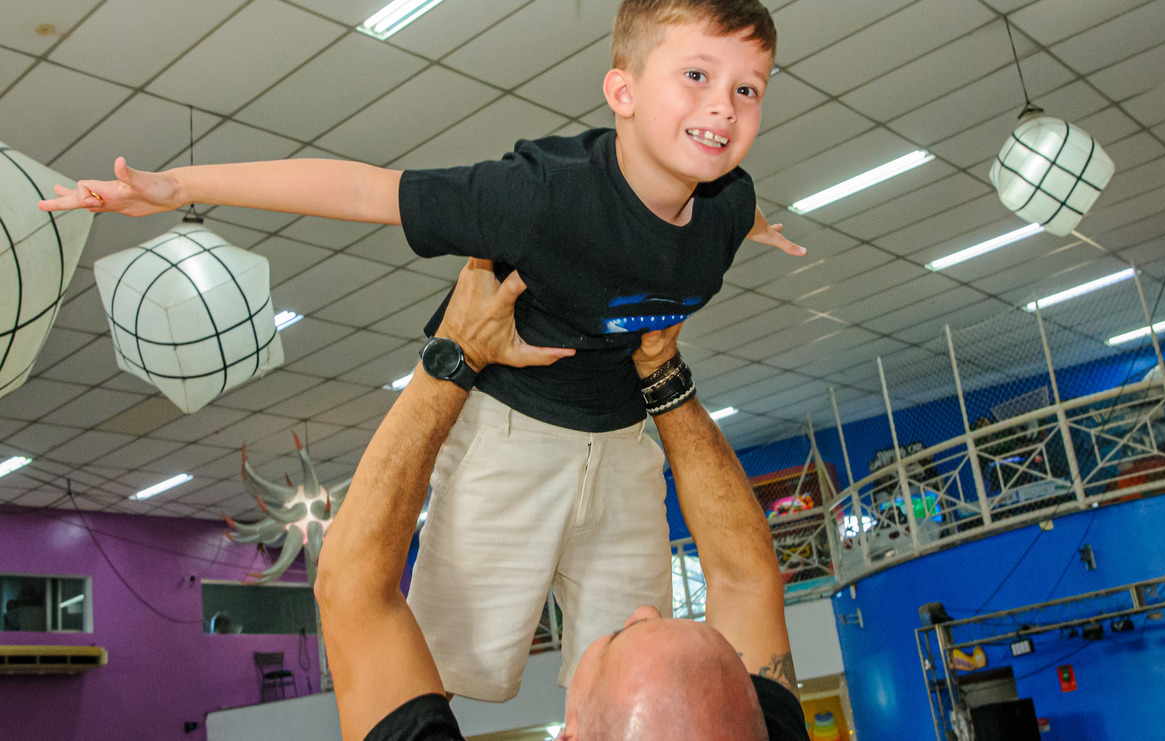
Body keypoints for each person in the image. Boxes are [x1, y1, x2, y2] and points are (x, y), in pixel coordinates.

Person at [40, 0, 804, 700]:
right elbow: (363, 187)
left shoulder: (727, 207)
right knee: (445, 666)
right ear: (623, 90)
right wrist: (182, 187)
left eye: (747, 89)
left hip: (625, 442)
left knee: (637, 672)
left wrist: (766, 230)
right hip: (512, 431)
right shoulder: (537, 195)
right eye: (697, 77)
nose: (724, 107)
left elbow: (741, 216)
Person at [315, 258, 806, 740]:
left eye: (619, 637)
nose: (647, 611)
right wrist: (661, 371)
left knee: (434, 658)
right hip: (607, 414)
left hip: (517, 417)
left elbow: (352, 590)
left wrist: (457, 350)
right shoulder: (747, 725)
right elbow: (746, 579)